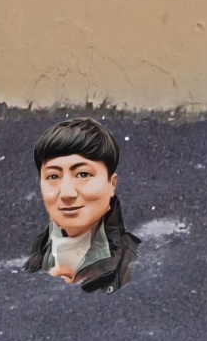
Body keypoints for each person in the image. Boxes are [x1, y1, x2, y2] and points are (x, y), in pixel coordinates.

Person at [20, 115, 136, 292]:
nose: (67, 193)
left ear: (111, 184)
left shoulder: (137, 264)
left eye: (83, 174)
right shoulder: (33, 259)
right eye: (53, 176)